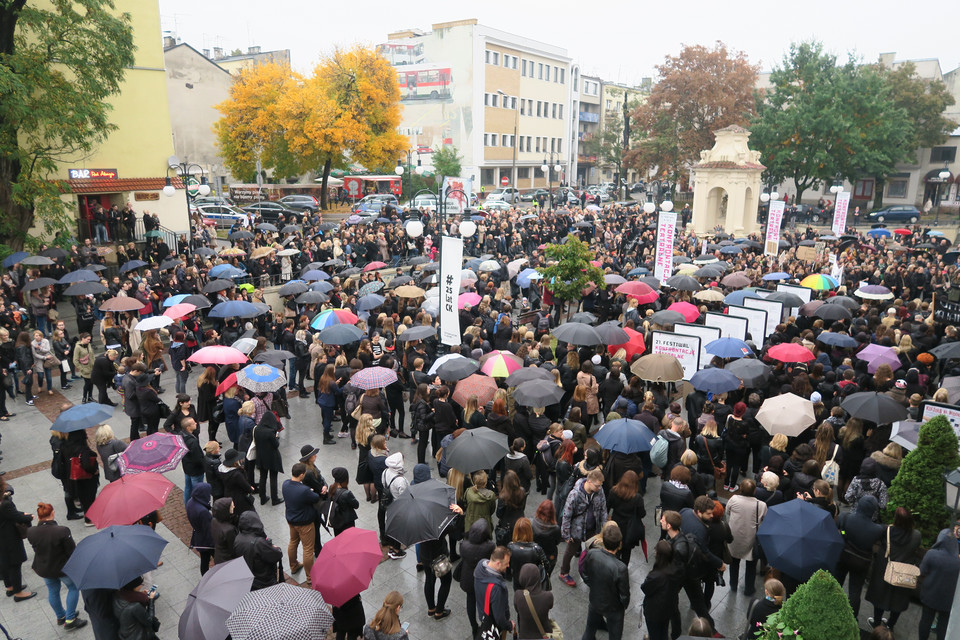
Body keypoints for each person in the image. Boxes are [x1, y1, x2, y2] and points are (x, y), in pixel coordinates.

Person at [26, 502, 85, 628]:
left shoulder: (31, 531)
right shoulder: (62, 531)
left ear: (38, 516)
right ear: (53, 513)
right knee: (73, 588)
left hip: (44, 568)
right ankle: (70, 619)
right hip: (62, 569)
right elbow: (71, 552)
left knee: (53, 591)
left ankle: (61, 616)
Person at [866, 507, 921, 632]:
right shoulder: (916, 536)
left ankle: (877, 622)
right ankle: (891, 624)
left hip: (885, 568)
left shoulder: (887, 530)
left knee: (880, 595)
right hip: (904, 571)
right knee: (899, 599)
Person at [835, 494, 884, 618]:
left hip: (843, 556)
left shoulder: (845, 517)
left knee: (835, 584)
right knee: (855, 592)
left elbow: (841, 530)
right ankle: (852, 618)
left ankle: (831, 608)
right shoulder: (878, 529)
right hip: (861, 562)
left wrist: (845, 534)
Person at [558, 468, 607, 588]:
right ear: (589, 481)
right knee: (570, 551)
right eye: (597, 485)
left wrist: (604, 528)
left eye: (600, 485)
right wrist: (566, 534)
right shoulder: (574, 494)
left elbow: (603, 510)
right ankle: (564, 573)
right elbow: (567, 515)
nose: (599, 488)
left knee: (594, 550)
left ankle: (591, 572)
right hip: (577, 529)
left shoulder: (599, 491)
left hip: (592, 528)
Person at [580, 523, 629, 640]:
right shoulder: (621, 568)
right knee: (615, 636)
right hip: (614, 608)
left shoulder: (592, 553)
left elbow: (585, 573)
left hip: (595, 600)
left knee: (589, 630)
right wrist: (623, 605)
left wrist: (593, 586)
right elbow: (624, 595)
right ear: (619, 544)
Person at [725, 479, 767, 596]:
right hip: (751, 539)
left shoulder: (733, 499)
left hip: (735, 537)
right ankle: (749, 589)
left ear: (741, 489)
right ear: (754, 491)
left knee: (733, 563)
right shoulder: (761, 505)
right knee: (751, 566)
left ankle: (733, 585)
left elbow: (727, 512)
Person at [917, 528, 960, 640]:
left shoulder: (931, 554)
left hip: (930, 594)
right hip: (948, 599)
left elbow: (921, 572)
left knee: (926, 620)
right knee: (943, 625)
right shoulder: (958, 561)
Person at [282, 462, 320, 585]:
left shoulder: (285, 484)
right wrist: (311, 491)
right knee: (308, 549)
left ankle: (293, 566)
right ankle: (310, 577)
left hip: (291, 520)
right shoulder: (304, 490)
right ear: (302, 475)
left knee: (293, 542)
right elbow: (315, 498)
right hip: (305, 523)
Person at [460, 519, 496, 637]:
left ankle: (473, 626)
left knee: (470, 601)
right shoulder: (490, 546)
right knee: (485, 604)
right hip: (483, 580)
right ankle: (485, 625)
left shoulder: (464, 545)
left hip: (468, 579)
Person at [233, 511, 282, 590]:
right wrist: (276, 548)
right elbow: (276, 555)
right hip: (264, 580)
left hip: (250, 578)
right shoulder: (258, 542)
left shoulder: (238, 538)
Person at [641, 540, 680, 640]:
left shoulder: (655, 576)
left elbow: (645, 588)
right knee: (664, 630)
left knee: (654, 634)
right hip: (667, 608)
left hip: (654, 612)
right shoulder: (674, 569)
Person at [607, 469, 646, 565]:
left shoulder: (613, 491)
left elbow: (607, 506)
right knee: (626, 551)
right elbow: (642, 514)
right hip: (630, 528)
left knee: (615, 546)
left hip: (616, 522)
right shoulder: (637, 498)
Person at [474, 546, 513, 638]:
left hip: (482, 613)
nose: (508, 566)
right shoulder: (496, 588)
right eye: (506, 563)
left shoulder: (480, 565)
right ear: (498, 563)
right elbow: (499, 618)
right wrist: (509, 625)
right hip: (493, 623)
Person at [514, 563, 555, 640]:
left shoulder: (518, 595)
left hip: (524, 635)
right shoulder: (548, 596)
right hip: (542, 633)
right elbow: (550, 606)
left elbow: (517, 610)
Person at [506, 517, 549, 591]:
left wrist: (509, 576)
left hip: (517, 579)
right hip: (532, 580)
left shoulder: (510, 546)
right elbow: (546, 565)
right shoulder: (537, 549)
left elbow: (508, 564)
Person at [254, 411, 284, 506]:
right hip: (272, 458)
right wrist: (276, 437)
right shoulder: (271, 432)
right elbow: (276, 445)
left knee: (263, 477)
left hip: (261, 457)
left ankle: (262, 497)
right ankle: (274, 499)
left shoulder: (257, 429)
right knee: (273, 478)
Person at [185, 483, 215, 576]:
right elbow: (208, 530)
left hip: (199, 537)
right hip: (207, 541)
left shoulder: (190, 502)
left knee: (204, 560)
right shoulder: (202, 511)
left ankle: (205, 578)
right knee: (218, 560)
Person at [219, 448, 256, 516]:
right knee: (250, 514)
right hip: (240, 498)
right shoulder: (237, 474)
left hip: (229, 495)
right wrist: (250, 488)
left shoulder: (222, 471)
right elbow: (246, 486)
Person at [325, 467, 360, 536]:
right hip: (347, 522)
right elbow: (356, 505)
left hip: (336, 521)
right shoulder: (346, 493)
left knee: (339, 540)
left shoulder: (331, 488)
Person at [210, 497, 239, 565]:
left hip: (219, 556)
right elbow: (233, 549)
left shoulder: (214, 521)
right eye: (232, 506)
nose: (234, 507)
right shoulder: (229, 530)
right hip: (227, 560)